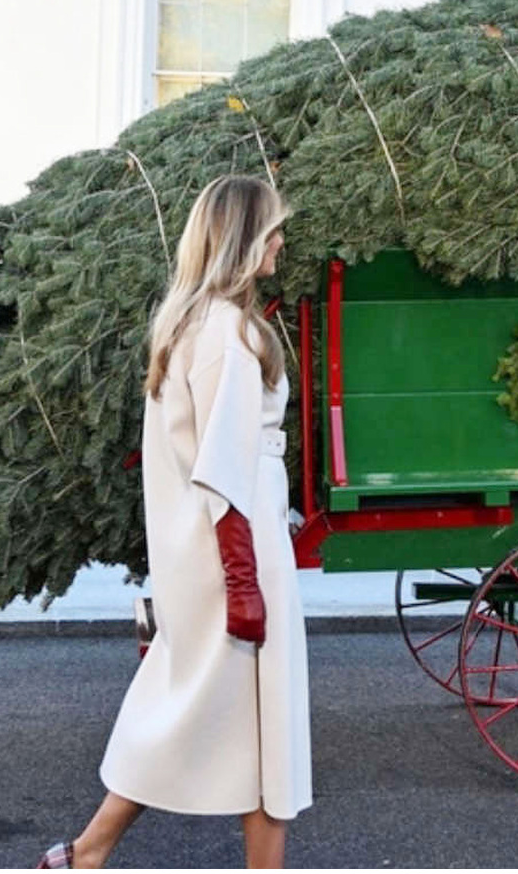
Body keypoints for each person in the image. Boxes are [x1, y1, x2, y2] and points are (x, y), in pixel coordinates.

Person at [39, 174, 311, 870]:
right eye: (273, 228)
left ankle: (85, 853)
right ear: (246, 240)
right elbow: (224, 467)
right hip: (237, 549)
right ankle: (87, 851)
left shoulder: (194, 320)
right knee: (263, 725)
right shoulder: (227, 332)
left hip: (214, 549)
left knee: (199, 711)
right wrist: (246, 581)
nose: (283, 239)